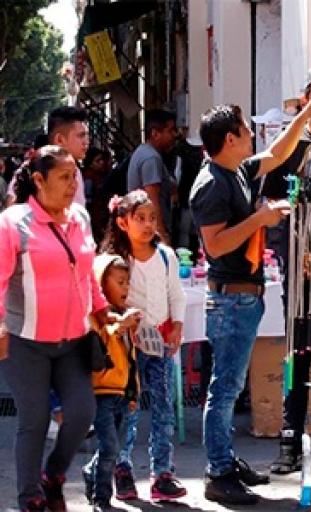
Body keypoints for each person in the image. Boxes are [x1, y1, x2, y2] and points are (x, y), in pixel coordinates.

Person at [191, 95, 311, 505]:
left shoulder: (238, 170)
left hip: (245, 299)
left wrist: (304, 117)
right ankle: (218, 471)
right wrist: (260, 219)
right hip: (230, 301)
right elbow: (214, 246)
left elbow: (276, 153)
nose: (253, 134)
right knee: (225, 390)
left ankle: (226, 462)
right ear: (230, 139)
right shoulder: (211, 184)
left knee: (229, 388)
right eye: (246, 129)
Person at [0, 146, 109, 511]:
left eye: (74, 176)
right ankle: (29, 497)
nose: (72, 184)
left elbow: (86, 270)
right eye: (64, 177)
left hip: (73, 342)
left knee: (82, 414)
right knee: (34, 420)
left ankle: (54, 474)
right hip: (24, 341)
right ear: (39, 180)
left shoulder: (79, 216)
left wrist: (102, 310)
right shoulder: (13, 223)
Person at [258, 67, 311, 475]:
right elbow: (268, 196)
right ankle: (290, 436)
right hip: (302, 261)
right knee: (299, 349)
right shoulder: (291, 145)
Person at [99, 190, 187, 501]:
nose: (149, 224)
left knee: (163, 407)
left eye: (152, 218)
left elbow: (176, 294)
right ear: (123, 223)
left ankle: (162, 472)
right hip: (128, 347)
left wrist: (177, 325)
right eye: (141, 219)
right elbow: (106, 299)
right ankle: (121, 468)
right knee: (129, 407)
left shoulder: (166, 256)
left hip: (160, 342)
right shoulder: (118, 262)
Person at [82, 254, 141, 511]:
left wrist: (133, 394)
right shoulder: (95, 318)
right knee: (110, 446)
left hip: (121, 393)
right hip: (101, 393)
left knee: (113, 449)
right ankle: (102, 498)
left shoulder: (124, 318)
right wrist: (118, 325)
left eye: (128, 282)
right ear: (101, 284)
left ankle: (90, 472)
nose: (125, 288)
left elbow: (130, 360)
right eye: (120, 282)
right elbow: (100, 345)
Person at [126, 109, 178, 246]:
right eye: (170, 130)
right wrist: (161, 236)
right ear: (155, 133)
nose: (175, 135)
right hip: (149, 233)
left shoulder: (144, 152)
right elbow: (152, 200)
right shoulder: (151, 158)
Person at [82, 147, 113, 244]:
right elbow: (88, 199)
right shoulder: (89, 177)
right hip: (95, 215)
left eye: (102, 160)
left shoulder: (103, 175)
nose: (102, 163)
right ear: (90, 163)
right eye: (98, 161)